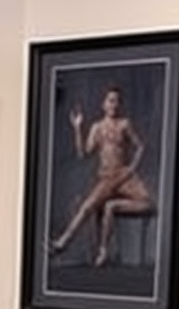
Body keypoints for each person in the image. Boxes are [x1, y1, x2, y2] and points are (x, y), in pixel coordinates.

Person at [49, 86, 154, 266]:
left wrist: (132, 168)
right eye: (111, 101)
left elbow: (140, 146)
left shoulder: (124, 124)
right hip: (106, 177)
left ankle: (100, 249)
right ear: (103, 104)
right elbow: (83, 153)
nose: (114, 105)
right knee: (86, 207)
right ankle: (62, 243)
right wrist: (77, 128)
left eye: (117, 101)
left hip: (123, 175)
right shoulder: (97, 128)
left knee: (147, 203)